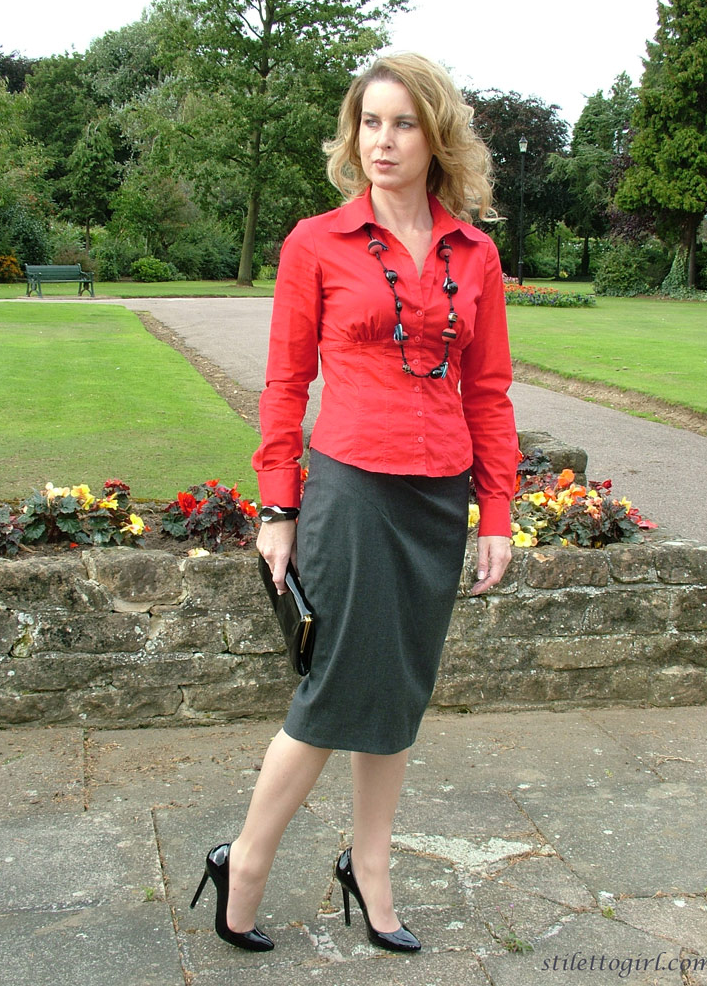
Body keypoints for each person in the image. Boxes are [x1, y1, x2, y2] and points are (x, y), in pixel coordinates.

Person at [191, 52, 519, 954]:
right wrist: (277, 507)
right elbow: (283, 383)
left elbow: (489, 391)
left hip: (437, 496)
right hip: (351, 488)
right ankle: (245, 860)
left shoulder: (475, 253)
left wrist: (496, 512)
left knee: (401, 690)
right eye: (370, 122)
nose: (384, 140)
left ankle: (369, 868)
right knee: (334, 684)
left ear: (436, 136)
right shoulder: (316, 242)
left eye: (403, 123)